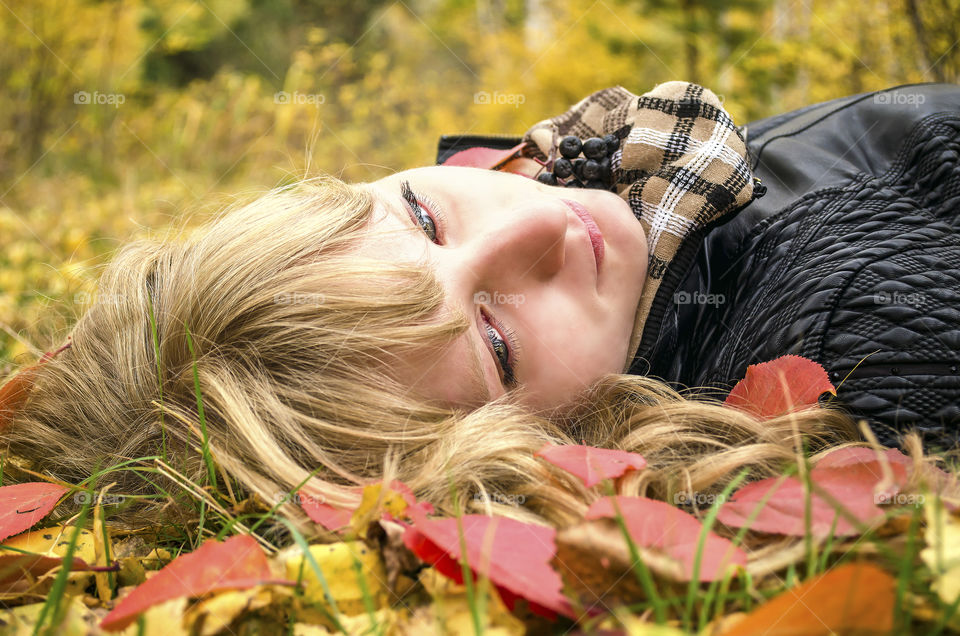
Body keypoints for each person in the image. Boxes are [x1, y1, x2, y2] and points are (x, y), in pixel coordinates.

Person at [0, 81, 952, 532]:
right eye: (494, 340)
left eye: (421, 214)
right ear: (524, 458)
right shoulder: (850, 337)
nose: (528, 228)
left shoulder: (633, 190)